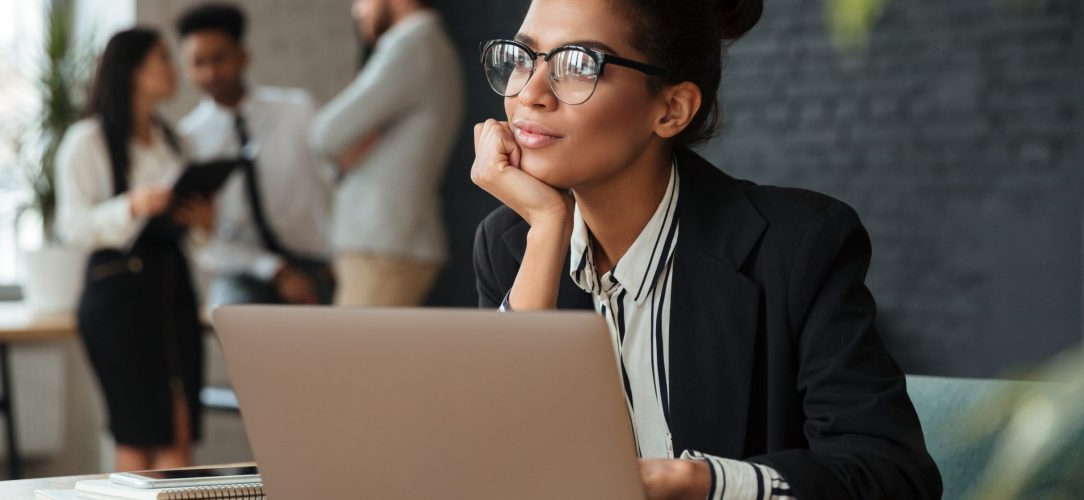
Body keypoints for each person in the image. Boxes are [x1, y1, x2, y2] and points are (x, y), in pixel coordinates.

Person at [470, 0, 943, 499]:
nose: (531, 93)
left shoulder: (798, 246)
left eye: (579, 65)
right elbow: (493, 467)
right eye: (523, 57)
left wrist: (696, 481)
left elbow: (894, 477)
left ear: (671, 109)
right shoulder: (510, 246)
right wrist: (546, 229)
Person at [56, 28, 209, 471]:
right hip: (118, 298)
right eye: (161, 57)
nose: (173, 68)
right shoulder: (87, 141)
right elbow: (72, 226)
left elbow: (197, 239)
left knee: (179, 428)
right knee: (138, 432)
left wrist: (200, 223)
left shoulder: (176, 141)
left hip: (172, 290)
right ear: (132, 69)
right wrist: (132, 206)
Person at [177, 3, 333, 307]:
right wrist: (277, 271)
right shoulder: (187, 141)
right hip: (243, 270)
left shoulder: (297, 110)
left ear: (243, 55)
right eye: (198, 63)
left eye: (219, 59)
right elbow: (205, 243)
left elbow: (338, 180)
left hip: (315, 262)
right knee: (232, 318)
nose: (210, 73)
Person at [310, 0, 464, 306]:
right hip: (386, 243)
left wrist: (349, 146)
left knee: (352, 353)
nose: (357, 11)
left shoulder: (413, 46)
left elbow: (324, 135)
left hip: (384, 245)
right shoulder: (426, 46)